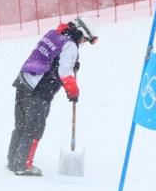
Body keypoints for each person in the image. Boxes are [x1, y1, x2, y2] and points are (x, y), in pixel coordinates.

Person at [7, 17, 97, 176]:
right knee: (34, 129)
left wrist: (71, 63)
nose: (82, 43)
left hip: (23, 82)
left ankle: (13, 159)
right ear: (79, 33)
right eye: (84, 39)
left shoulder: (53, 34)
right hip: (39, 89)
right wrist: (73, 91)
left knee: (21, 125)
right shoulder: (71, 46)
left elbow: (52, 57)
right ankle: (23, 165)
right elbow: (64, 72)